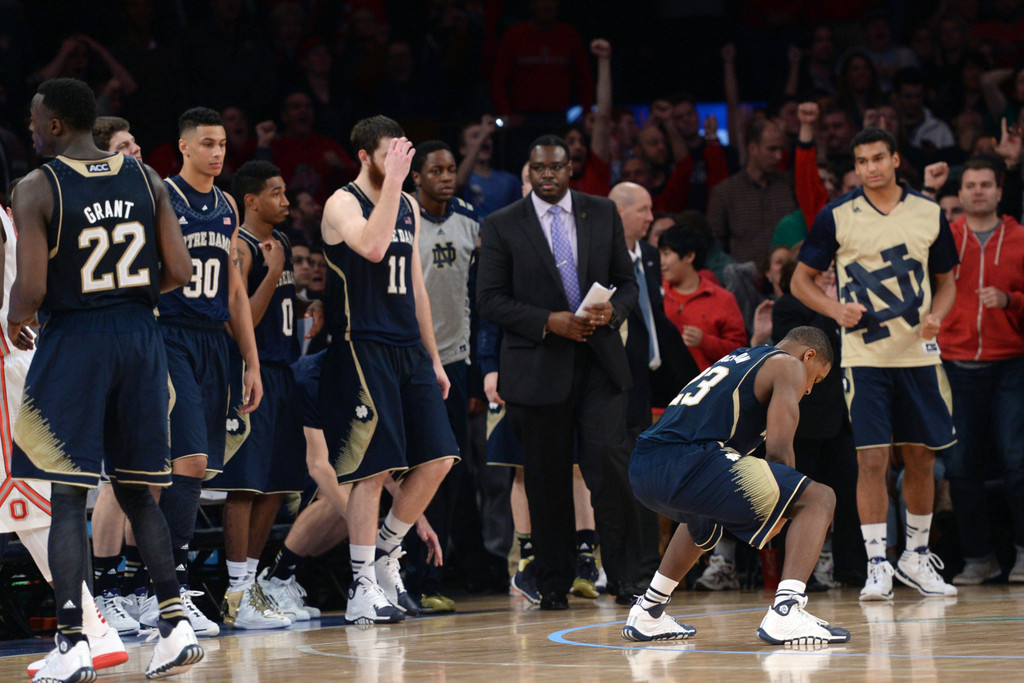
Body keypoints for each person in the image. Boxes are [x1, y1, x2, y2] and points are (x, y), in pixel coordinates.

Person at [9, 77, 201, 681]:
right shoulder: (147, 180)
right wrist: (128, 300)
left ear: (58, 124)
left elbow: (33, 290)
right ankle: (174, 624)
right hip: (142, 340)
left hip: (78, 342)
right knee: (139, 489)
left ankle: (71, 641)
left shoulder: (37, 186)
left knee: (66, 495)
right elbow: (180, 269)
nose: (32, 129)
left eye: (37, 121)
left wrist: (18, 315)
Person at [791, 127, 959, 601]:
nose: (870, 167)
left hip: (918, 356)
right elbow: (799, 281)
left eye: (878, 158)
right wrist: (834, 310)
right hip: (865, 358)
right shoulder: (837, 214)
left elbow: (947, 280)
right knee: (871, 459)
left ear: (895, 159)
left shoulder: (928, 211)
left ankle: (917, 555)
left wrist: (938, 317)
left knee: (922, 457)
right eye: (861, 160)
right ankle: (877, 563)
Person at [477, 134, 641, 609]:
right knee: (546, 481)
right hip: (537, 366)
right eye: (538, 168)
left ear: (570, 169)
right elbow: (488, 299)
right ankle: (553, 582)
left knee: (609, 466)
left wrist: (613, 313)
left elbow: (627, 284)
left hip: (599, 361)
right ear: (528, 171)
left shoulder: (602, 212)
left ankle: (628, 577)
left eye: (556, 167)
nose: (547, 175)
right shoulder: (502, 224)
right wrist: (548, 321)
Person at [622, 327, 848, 645]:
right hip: (688, 459)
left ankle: (649, 611)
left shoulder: (740, 357)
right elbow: (779, 451)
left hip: (645, 464)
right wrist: (781, 511)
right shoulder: (790, 365)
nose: (809, 389)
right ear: (808, 356)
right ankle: (787, 609)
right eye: (817, 379)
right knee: (819, 498)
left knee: (705, 520)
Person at [319, 115, 457, 624]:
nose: (400, 163)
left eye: (403, 154)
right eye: (390, 155)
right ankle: (359, 588)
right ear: (364, 156)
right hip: (362, 345)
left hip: (407, 348)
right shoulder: (341, 203)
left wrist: (434, 357)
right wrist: (396, 182)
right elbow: (373, 247)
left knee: (440, 457)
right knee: (373, 469)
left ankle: (383, 553)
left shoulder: (410, 206)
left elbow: (417, 286)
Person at [141, 106, 263, 636]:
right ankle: (168, 590)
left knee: (197, 468)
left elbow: (235, 289)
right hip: (169, 337)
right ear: (184, 147)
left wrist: (251, 361)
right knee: (187, 461)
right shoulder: (160, 195)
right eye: (208, 144)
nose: (218, 153)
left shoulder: (229, 205)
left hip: (216, 343)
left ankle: (160, 587)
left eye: (222, 145)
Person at [207, 160, 323, 628]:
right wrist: (274, 271)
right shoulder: (242, 248)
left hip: (283, 370)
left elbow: (276, 312)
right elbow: (240, 326)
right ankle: (235, 591)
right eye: (276, 194)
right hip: (249, 373)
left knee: (277, 483)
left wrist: (306, 307)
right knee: (246, 483)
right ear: (251, 201)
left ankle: (250, 586)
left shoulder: (283, 243)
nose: (286, 201)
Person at [932, 157, 1024, 584]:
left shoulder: (1021, 238)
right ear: (962, 192)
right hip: (956, 364)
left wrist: (1011, 301)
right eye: (970, 185)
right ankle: (979, 558)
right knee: (960, 467)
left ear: (999, 190)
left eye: (986, 184)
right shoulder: (945, 237)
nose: (978, 191)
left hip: (1011, 364)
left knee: (1017, 461)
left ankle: (1022, 554)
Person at [609, 181, 698, 594]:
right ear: (620, 211)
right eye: (643, 211)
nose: (650, 219)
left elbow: (654, 318)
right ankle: (619, 566)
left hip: (646, 376)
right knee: (614, 471)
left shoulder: (646, 255)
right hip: (608, 377)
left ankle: (647, 566)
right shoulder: (601, 250)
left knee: (641, 470)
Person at [409, 141, 479, 611]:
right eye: (436, 170)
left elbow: (481, 296)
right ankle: (405, 574)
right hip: (410, 360)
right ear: (416, 177)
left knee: (450, 471)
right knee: (414, 468)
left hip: (456, 361)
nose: (446, 177)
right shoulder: (400, 219)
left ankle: (434, 576)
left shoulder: (472, 221)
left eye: (451, 169)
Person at [708, 119, 797, 268]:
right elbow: (716, 247)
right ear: (752, 149)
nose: (779, 156)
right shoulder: (725, 192)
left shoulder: (789, 185)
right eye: (772, 149)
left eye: (781, 149)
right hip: (743, 282)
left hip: (788, 279)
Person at [659, 224, 748, 371]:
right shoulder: (655, 294)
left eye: (666, 254)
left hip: (710, 388)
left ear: (689, 256)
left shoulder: (723, 299)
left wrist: (705, 342)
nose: (661, 261)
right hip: (663, 388)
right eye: (660, 254)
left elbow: (740, 353)